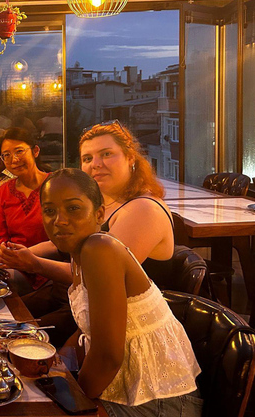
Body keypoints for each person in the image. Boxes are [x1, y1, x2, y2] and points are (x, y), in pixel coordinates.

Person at [0, 120, 175, 347]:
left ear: (131, 158)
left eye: (106, 154)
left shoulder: (144, 209)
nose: (96, 164)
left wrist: (35, 264)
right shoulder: (105, 202)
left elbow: (97, 276)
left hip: (125, 326)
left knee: (9, 336)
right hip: (78, 301)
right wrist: (15, 255)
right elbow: (60, 241)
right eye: (88, 158)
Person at [39, 168, 202, 416]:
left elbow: (108, 357)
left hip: (158, 400)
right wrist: (55, 368)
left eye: (73, 208)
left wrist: (70, 399)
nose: (59, 220)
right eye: (50, 210)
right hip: (126, 388)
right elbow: (87, 331)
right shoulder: (81, 255)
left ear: (99, 213)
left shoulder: (100, 249)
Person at [0, 127, 50, 294]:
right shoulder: (4, 191)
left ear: (35, 151)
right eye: (7, 155)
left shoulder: (56, 185)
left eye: (19, 151)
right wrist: (9, 257)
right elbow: (0, 237)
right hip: (14, 267)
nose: (14, 160)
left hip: (50, 268)